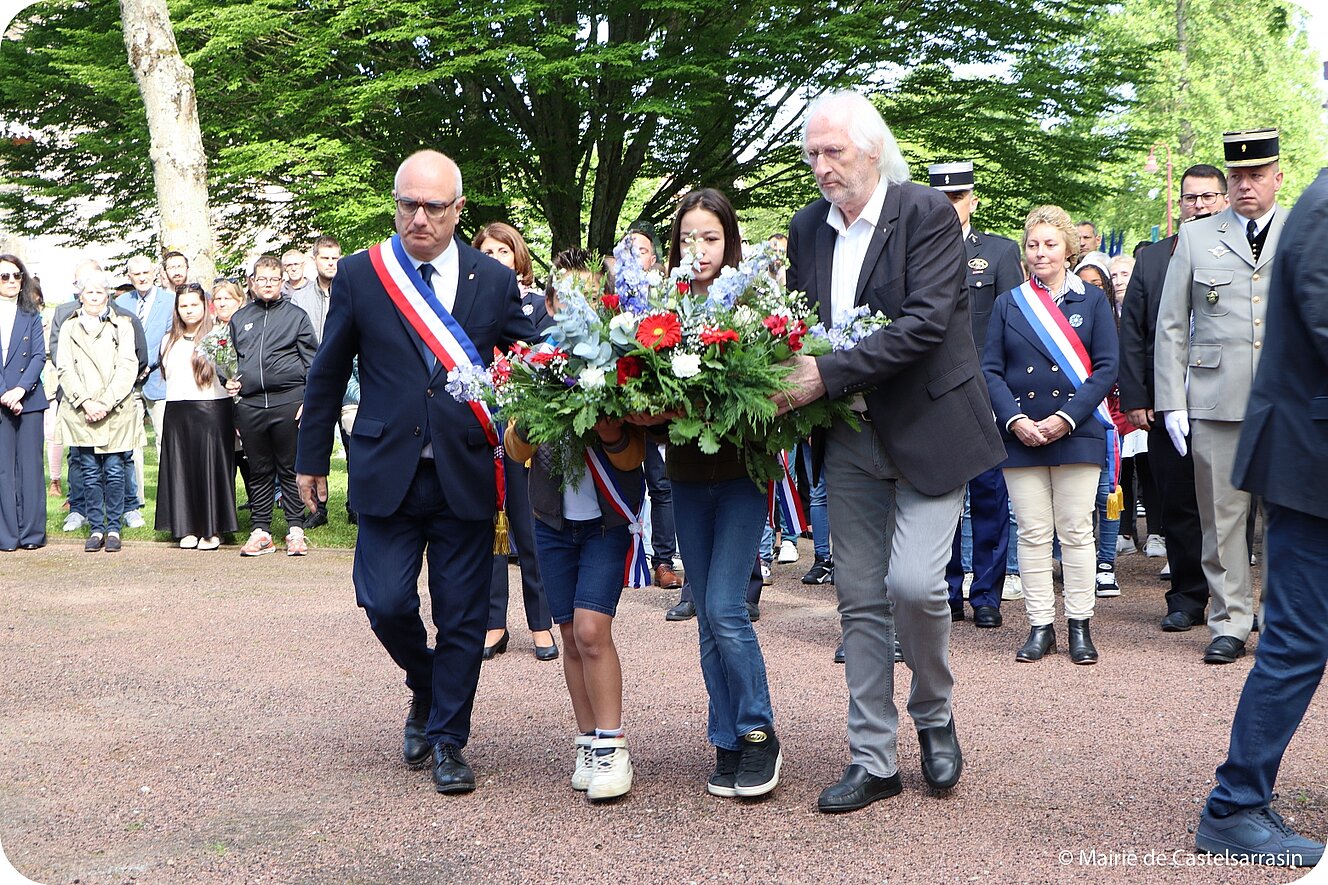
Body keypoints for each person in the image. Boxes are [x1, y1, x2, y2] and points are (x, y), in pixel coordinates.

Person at [779, 90, 1005, 813]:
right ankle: (872, 756)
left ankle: (934, 714)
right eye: (812, 153)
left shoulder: (926, 214)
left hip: (930, 428)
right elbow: (795, 323)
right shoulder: (807, 228)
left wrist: (823, 373)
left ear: (872, 149)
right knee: (860, 598)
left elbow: (927, 323)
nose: (821, 166)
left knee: (916, 584)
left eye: (833, 151)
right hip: (848, 433)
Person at [296, 150, 535, 795]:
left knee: (461, 617)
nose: (419, 217)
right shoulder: (361, 276)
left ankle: (450, 738)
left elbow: (535, 358)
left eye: (434, 206)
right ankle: (425, 686)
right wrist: (312, 459)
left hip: (464, 473)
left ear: (459, 209)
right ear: (396, 204)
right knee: (384, 601)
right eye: (409, 204)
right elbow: (326, 376)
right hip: (386, 470)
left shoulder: (493, 278)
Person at [1192, 165, 1328, 868]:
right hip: (1311, 463)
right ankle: (1235, 804)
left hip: (1309, 455)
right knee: (1298, 640)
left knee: (1301, 638)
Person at [628, 188, 783, 801]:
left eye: (710, 238)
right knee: (706, 618)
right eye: (688, 238)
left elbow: (774, 387)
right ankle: (724, 733)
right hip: (687, 478)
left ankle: (757, 732)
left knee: (722, 605)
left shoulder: (750, 304)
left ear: (729, 242)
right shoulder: (658, 308)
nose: (699, 250)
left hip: (743, 475)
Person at [505, 266, 646, 801]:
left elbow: (633, 456)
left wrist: (608, 428)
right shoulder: (536, 360)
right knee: (567, 634)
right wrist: (530, 417)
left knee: (591, 631)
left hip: (606, 522)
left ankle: (613, 746)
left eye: (584, 296)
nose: (572, 305)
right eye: (561, 297)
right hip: (551, 520)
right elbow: (516, 450)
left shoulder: (620, 363)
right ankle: (588, 742)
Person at [1154, 129, 1285, 665]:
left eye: (1257, 175)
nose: (1246, 185)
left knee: (1286, 517)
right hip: (1214, 396)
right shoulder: (1198, 237)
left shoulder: (1304, 232)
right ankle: (1230, 619)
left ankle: (1280, 621)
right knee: (1223, 517)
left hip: (1285, 402)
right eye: (1237, 176)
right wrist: (1173, 401)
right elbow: (1170, 326)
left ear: (1279, 176)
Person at [983, 205, 1118, 664]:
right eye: (1033, 245)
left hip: (1076, 430)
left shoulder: (1092, 300)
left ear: (1068, 249)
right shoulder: (1009, 302)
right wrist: (1015, 420)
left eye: (1050, 244)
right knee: (1034, 533)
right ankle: (1041, 625)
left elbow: (1106, 369)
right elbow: (991, 370)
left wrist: (1067, 418)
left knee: (1077, 531)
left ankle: (1080, 624)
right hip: (1020, 432)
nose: (1040, 253)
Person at [1118, 163, 1228, 631]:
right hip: (1169, 403)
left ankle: (1232, 599)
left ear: (1223, 199)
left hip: (1227, 399)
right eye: (1190, 198)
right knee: (1180, 503)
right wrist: (1139, 397)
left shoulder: (1241, 252)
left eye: (1207, 197)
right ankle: (1186, 597)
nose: (1199, 205)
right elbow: (1135, 333)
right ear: (1180, 204)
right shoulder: (1154, 258)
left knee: (1228, 504)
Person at [929, 160, 1023, 629]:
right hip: (934, 393)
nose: (951, 206)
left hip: (984, 390)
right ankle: (946, 590)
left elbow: (1014, 325)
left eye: (959, 197)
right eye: (943, 198)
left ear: (974, 199)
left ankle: (987, 592)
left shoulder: (1001, 253)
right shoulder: (915, 251)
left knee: (989, 495)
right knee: (941, 496)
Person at [472, 222, 557, 661]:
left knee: (529, 526)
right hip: (478, 427)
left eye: (502, 252)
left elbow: (544, 361)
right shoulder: (462, 308)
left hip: (523, 431)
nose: (494, 260)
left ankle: (541, 623)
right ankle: (493, 623)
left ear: (518, 258)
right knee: (487, 528)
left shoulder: (538, 306)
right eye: (485, 252)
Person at [225, 255, 318, 557]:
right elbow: (227, 361)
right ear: (251, 282)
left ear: (282, 282)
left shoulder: (296, 316)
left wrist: (308, 399)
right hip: (251, 405)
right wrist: (227, 381)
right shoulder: (239, 318)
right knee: (259, 469)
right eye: (261, 279)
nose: (267, 285)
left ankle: (295, 529)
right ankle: (261, 530)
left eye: (273, 279)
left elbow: (313, 361)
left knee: (289, 469)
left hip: (288, 402)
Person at [55, 271, 144, 553]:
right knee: (89, 472)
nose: (94, 297)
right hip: (82, 411)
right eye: (88, 292)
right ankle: (95, 528)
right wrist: (85, 402)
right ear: (80, 296)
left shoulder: (123, 325)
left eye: (99, 292)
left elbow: (129, 365)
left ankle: (114, 528)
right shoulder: (69, 327)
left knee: (116, 471)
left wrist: (105, 402)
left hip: (115, 410)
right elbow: (64, 367)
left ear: (108, 295)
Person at [154, 286, 238, 550]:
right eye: (183, 306)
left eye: (194, 305)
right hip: (178, 411)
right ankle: (185, 527)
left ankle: (213, 529)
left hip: (212, 409)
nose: (189, 310)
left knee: (211, 468)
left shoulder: (218, 336)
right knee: (181, 468)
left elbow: (230, 372)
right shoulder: (168, 340)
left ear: (205, 306)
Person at [1073, 253, 1127, 598]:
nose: (1092, 289)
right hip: (1072, 418)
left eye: (1098, 283)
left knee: (1108, 494)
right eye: (1085, 282)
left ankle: (1106, 564)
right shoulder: (1063, 320)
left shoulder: (1117, 322)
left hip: (1108, 419)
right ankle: (1077, 561)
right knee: (1075, 498)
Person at [117, 256, 175, 525]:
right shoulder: (121, 303)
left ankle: (170, 494)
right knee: (132, 442)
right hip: (129, 382)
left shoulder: (169, 300)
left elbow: (169, 337)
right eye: (135, 274)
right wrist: (131, 369)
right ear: (129, 276)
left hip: (158, 379)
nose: (141, 277)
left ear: (155, 273)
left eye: (145, 272)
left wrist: (147, 364)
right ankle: (135, 499)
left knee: (165, 439)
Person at [0, 253, 50, 551]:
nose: (11, 281)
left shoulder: (32, 315)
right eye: (4, 276)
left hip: (28, 399)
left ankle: (32, 534)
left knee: (31, 469)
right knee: (3, 469)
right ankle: (7, 535)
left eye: (16, 275)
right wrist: (4, 393)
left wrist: (19, 391)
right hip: (2, 399)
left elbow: (38, 357)